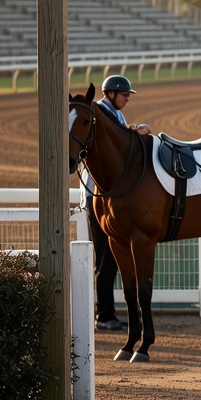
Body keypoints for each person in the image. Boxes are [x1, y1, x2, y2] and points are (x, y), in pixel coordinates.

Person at [85, 75, 150, 331]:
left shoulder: (113, 114)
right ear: (110, 94)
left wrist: (133, 129)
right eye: (124, 94)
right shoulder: (100, 112)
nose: (127, 98)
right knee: (106, 260)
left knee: (112, 258)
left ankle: (108, 312)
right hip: (98, 197)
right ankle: (104, 315)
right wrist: (135, 131)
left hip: (110, 197)